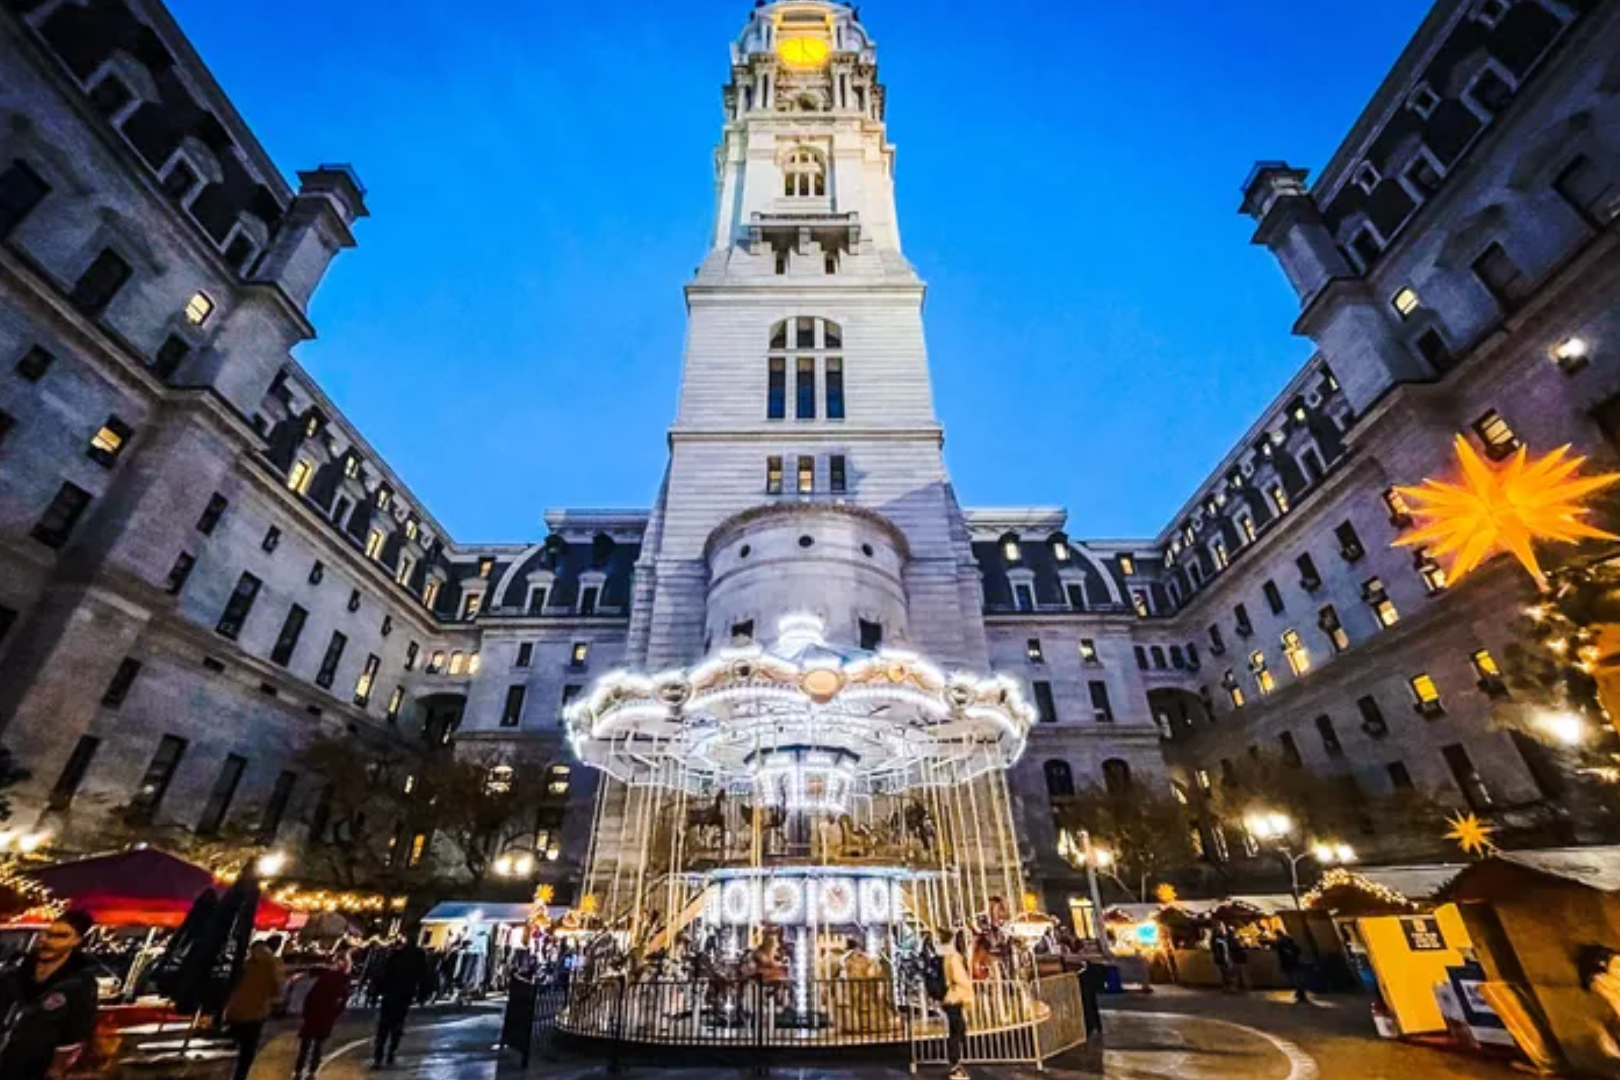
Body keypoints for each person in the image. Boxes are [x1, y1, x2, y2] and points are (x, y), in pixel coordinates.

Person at [0, 910, 99, 1080]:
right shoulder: (12, 976)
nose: (48, 941)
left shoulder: (79, 987)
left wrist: (56, 1070)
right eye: (47, 934)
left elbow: (74, 1036)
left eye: (60, 936)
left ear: (76, 941)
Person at [224, 935, 286, 1080]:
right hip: (256, 1011)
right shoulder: (274, 964)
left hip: (236, 1008)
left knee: (234, 1042)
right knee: (248, 1050)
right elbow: (278, 989)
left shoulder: (245, 962)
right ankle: (239, 1076)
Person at [372, 933, 432, 1069]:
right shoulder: (418, 955)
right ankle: (391, 1051)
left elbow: (384, 973)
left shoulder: (396, 954)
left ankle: (379, 1055)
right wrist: (423, 994)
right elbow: (423, 975)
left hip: (391, 992)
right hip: (405, 993)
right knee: (397, 1023)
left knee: (384, 1025)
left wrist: (376, 993)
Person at [295, 949, 352, 1079]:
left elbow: (311, 996)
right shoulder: (343, 980)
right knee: (318, 1045)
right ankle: (312, 1072)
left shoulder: (327, 977)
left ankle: (299, 1071)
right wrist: (334, 1013)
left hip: (314, 1013)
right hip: (326, 1015)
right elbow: (342, 1001)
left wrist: (306, 1012)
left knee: (306, 1045)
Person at [938, 928, 973, 1080]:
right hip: (955, 998)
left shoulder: (947, 956)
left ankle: (956, 1064)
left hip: (951, 998)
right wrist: (968, 995)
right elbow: (960, 980)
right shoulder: (953, 958)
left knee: (957, 1031)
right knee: (956, 1032)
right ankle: (955, 1066)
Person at [1271, 928, 1308, 1004]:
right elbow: (1297, 950)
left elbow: (1284, 951)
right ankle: (1300, 993)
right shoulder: (1288, 940)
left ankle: (1300, 993)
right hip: (1294, 962)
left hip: (1288, 963)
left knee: (1293, 978)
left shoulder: (1281, 942)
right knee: (1296, 977)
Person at [1210, 924, 1235, 992]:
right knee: (1225, 972)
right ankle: (1228, 987)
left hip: (1227, 956)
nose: (1222, 928)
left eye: (1223, 927)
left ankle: (1229, 987)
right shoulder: (1217, 937)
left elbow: (1231, 944)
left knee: (1229, 972)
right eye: (1221, 927)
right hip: (1222, 957)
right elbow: (1215, 947)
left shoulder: (1225, 937)